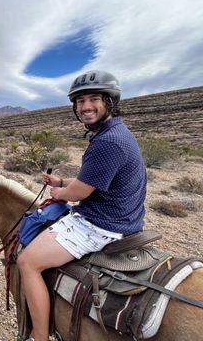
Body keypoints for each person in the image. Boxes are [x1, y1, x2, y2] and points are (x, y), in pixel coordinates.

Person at [17, 70, 147, 341]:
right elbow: (93, 179)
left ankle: (39, 336)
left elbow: (81, 192)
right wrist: (62, 180)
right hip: (122, 217)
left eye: (93, 99)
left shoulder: (108, 142)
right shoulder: (115, 132)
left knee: (27, 262)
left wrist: (60, 191)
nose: (85, 106)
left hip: (101, 225)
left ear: (109, 101)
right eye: (80, 101)